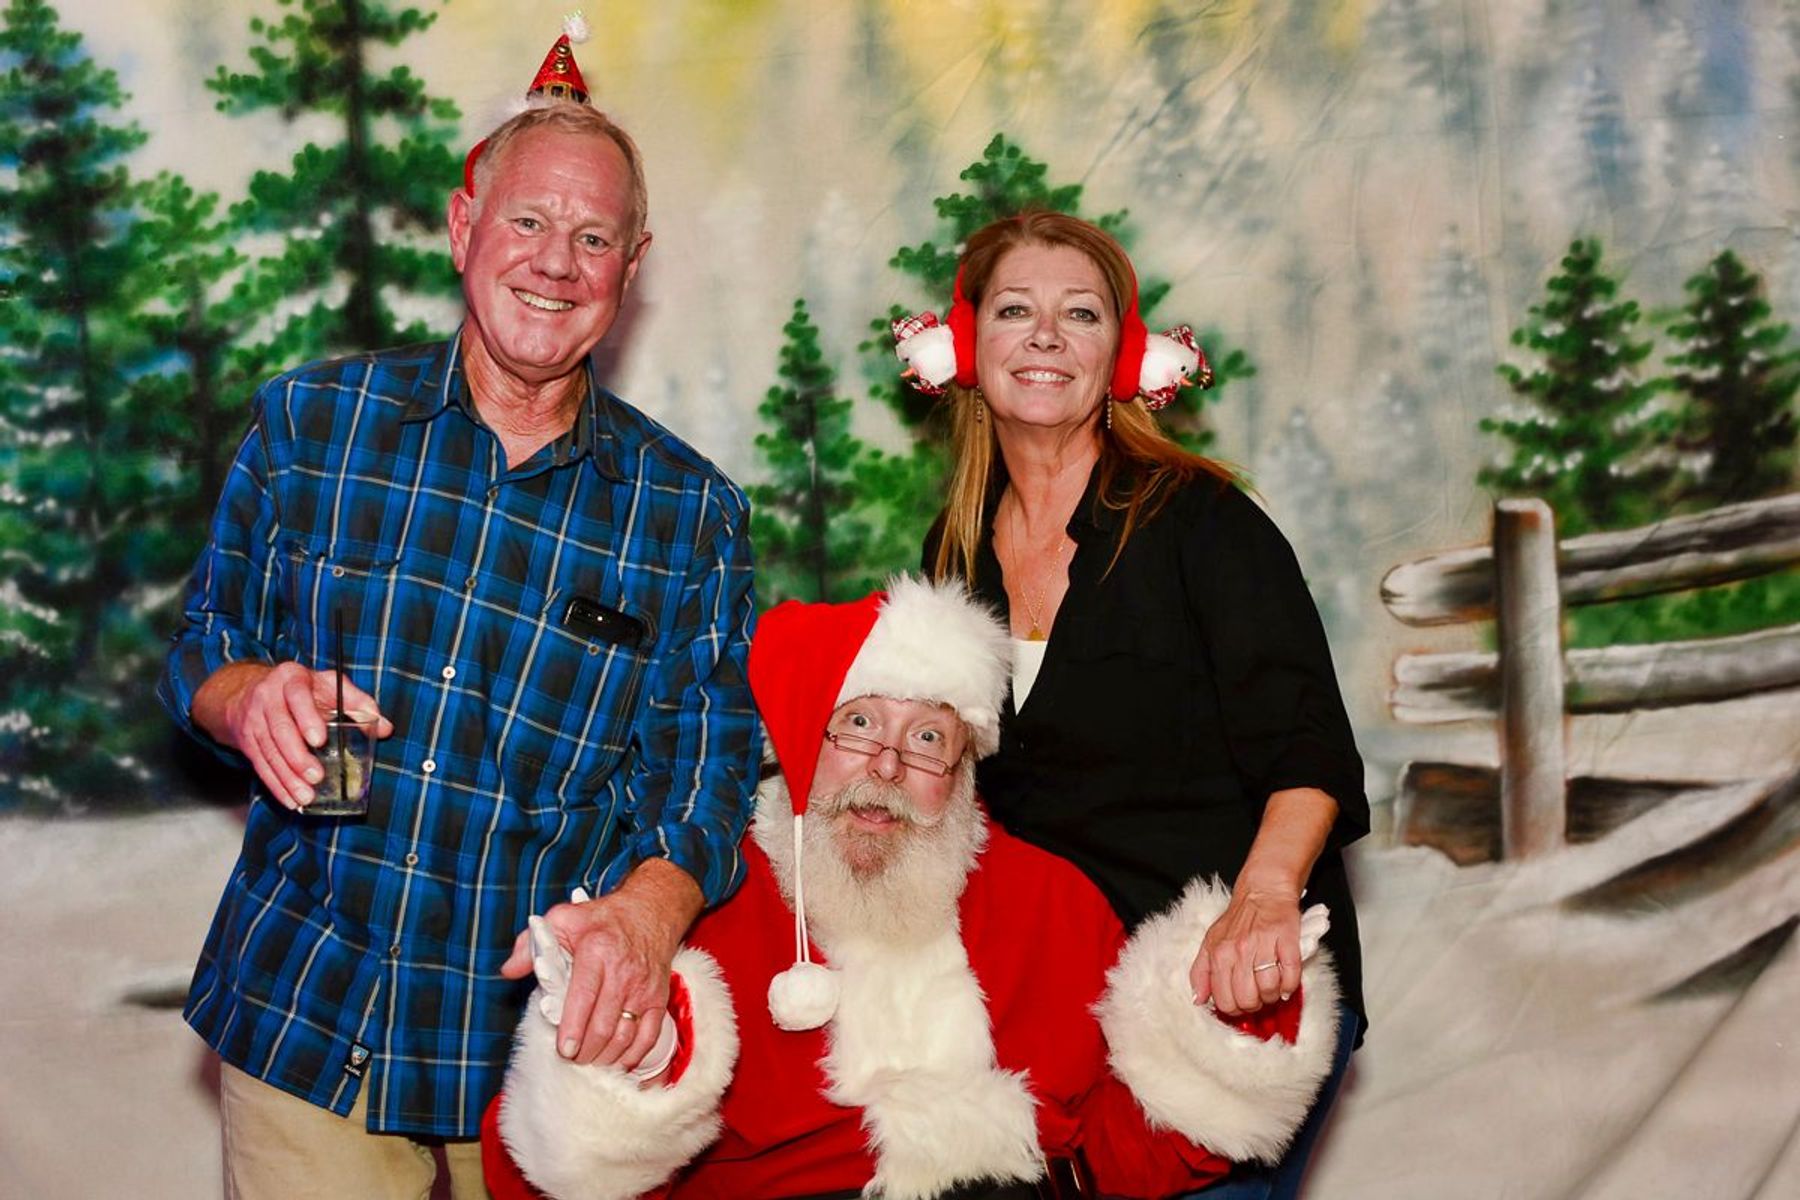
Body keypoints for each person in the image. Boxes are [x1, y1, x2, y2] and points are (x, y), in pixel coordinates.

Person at [156, 32, 759, 1199]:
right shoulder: (311, 425)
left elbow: (706, 777)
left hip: (544, 1057)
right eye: (528, 220)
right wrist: (247, 699)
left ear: (630, 268)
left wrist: (646, 917)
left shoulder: (692, 515)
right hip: (310, 1011)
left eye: (594, 238)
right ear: (463, 226)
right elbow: (203, 648)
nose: (556, 262)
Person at [479, 576, 1341, 1200]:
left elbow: (1123, 1161)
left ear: (964, 768)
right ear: (800, 741)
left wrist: (1224, 1017)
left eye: (927, 738)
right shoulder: (711, 905)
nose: (886, 767)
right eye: (858, 725)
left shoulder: (1052, 904)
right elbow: (550, 1178)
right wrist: (628, 1067)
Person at [901, 210, 1368, 1199]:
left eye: (1081, 313)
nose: (1045, 335)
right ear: (968, 345)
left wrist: (1261, 900)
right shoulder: (955, 547)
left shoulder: (1203, 522)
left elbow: (1309, 746)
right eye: (1015, 310)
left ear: (1118, 354)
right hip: (1062, 1010)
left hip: (1224, 992)